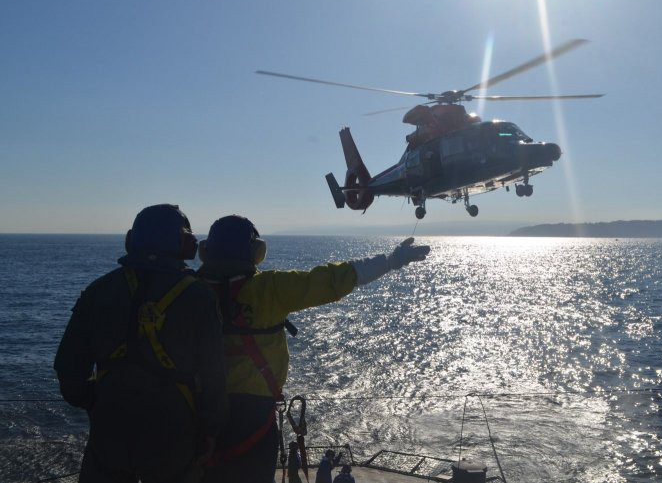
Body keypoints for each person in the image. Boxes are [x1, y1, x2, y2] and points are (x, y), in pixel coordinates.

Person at [197, 215, 430, 483]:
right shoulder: (271, 288)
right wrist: (391, 261)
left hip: (199, 412)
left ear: (205, 251)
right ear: (256, 251)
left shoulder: (189, 291)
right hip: (254, 416)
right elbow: (332, 279)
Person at [54, 204, 228, 483]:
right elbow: (214, 374)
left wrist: (97, 400)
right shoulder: (199, 296)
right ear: (185, 244)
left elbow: (68, 369)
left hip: (110, 428)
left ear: (130, 240)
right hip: (174, 430)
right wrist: (210, 430)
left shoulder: (98, 290)